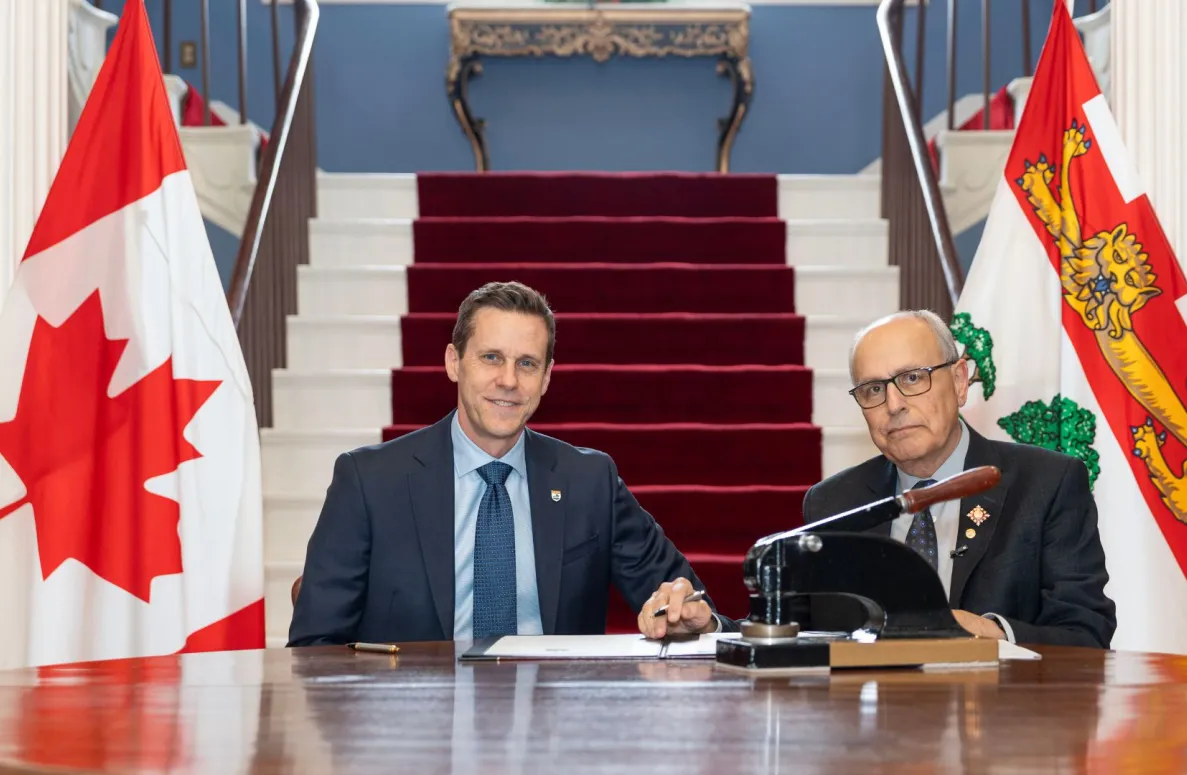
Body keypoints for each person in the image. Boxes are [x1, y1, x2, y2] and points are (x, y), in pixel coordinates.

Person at [640, 310, 1116, 648]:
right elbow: (795, 633)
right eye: (872, 389)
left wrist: (991, 631)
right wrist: (709, 628)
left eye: (912, 378)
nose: (892, 405)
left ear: (959, 381)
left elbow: (1085, 632)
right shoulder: (836, 503)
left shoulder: (1047, 484)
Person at [289, 281, 724, 646]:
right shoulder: (368, 482)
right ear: (454, 362)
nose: (509, 381)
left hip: (553, 732)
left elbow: (689, 604)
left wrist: (694, 618)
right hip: (414, 733)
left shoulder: (590, 481)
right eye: (491, 357)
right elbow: (313, 648)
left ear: (547, 378)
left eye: (527, 364)